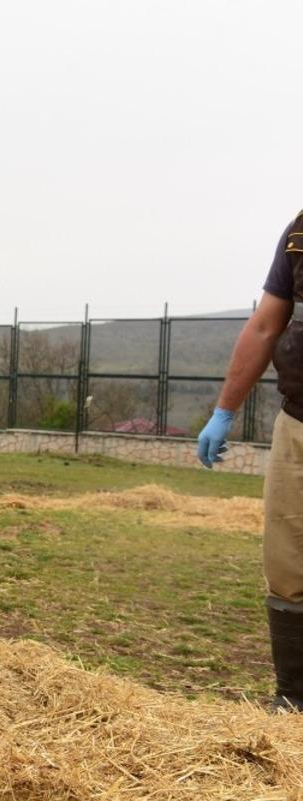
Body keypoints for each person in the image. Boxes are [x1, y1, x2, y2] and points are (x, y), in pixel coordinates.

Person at [197, 210, 302, 711]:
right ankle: (294, 698)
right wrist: (223, 411)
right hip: (299, 425)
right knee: (287, 564)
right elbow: (264, 326)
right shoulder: (301, 230)